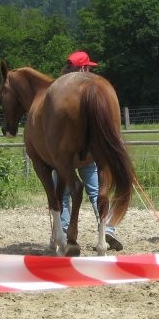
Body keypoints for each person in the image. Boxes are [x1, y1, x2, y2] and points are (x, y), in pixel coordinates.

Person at [52, 50, 123, 251]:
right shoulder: (92, 90)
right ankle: (107, 229)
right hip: (90, 154)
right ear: (83, 68)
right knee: (96, 191)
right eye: (88, 68)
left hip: (64, 155)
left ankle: (65, 232)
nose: (90, 71)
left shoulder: (58, 91)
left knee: (63, 193)